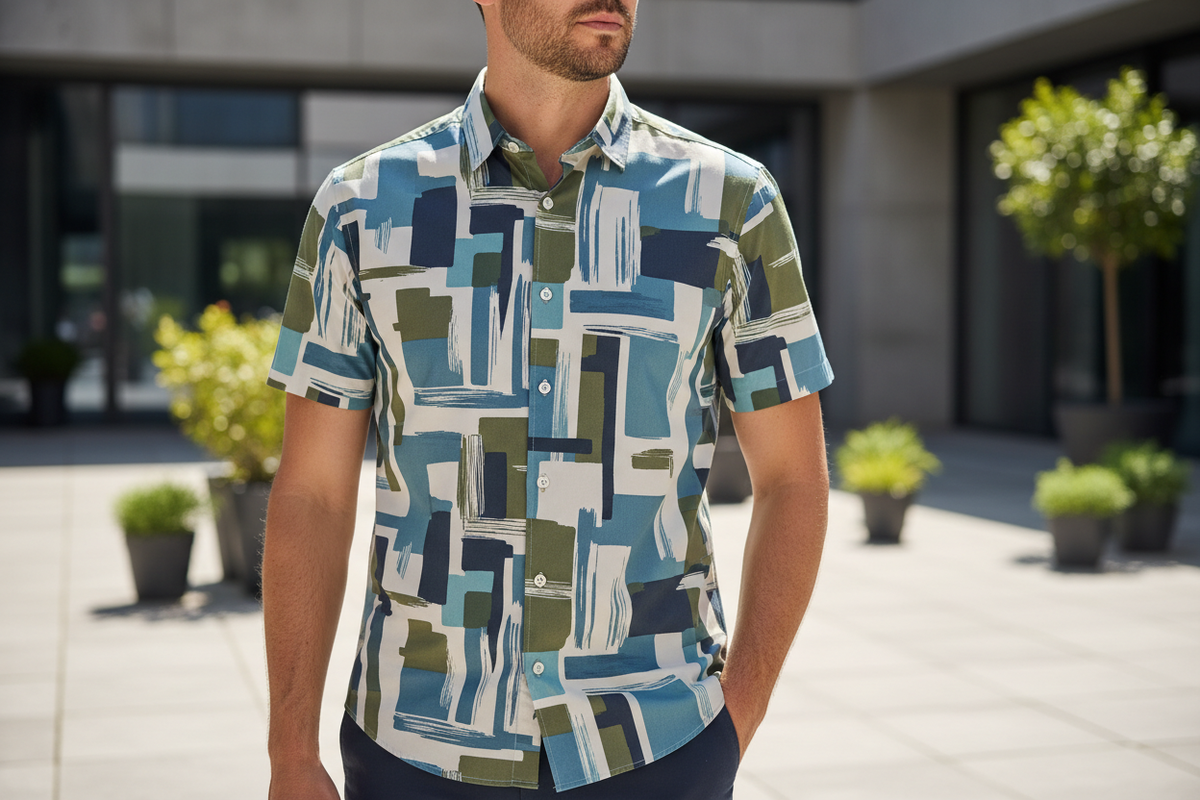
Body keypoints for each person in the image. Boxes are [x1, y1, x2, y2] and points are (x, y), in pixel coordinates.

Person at [262, 0, 833, 797]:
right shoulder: (362, 207)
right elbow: (314, 495)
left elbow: (794, 480)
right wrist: (291, 748)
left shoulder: (732, 205)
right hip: (416, 748)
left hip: (657, 745)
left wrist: (736, 718)